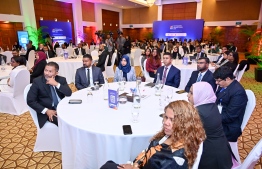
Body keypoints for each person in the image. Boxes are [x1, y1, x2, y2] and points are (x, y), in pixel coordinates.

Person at [100, 100, 206, 169]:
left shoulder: (174, 159)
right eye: (166, 117)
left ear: (184, 123)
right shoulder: (172, 135)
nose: (166, 122)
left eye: (172, 120)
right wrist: (134, 165)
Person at [187, 82, 233, 169]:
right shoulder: (211, 104)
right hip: (223, 149)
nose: (187, 95)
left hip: (211, 157)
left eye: (191, 93)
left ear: (200, 94)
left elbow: (187, 132)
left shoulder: (198, 112)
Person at [27, 62, 72, 128]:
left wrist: (56, 84)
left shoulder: (61, 80)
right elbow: (30, 100)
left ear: (56, 73)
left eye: (50, 71)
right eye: (46, 70)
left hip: (62, 107)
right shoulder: (37, 81)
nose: (47, 73)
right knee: (65, 123)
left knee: (76, 116)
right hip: (49, 110)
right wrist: (46, 111)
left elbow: (68, 93)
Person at [213, 66, 248, 142]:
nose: (216, 83)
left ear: (228, 79)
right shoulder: (224, 85)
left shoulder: (238, 93)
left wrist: (211, 118)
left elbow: (229, 117)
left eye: (218, 81)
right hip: (220, 117)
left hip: (228, 127)